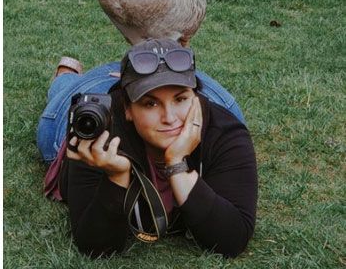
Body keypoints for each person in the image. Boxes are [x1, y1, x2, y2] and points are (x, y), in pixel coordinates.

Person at [37, 39, 257, 258]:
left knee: (229, 106)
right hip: (96, 92)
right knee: (65, 93)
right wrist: (116, 176)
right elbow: (95, 246)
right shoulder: (97, 136)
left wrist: (177, 165)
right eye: (150, 103)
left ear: (196, 98)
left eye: (180, 98)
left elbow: (232, 239)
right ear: (127, 109)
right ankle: (66, 76)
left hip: (179, 93)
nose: (169, 118)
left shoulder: (225, 130)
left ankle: (157, 75)